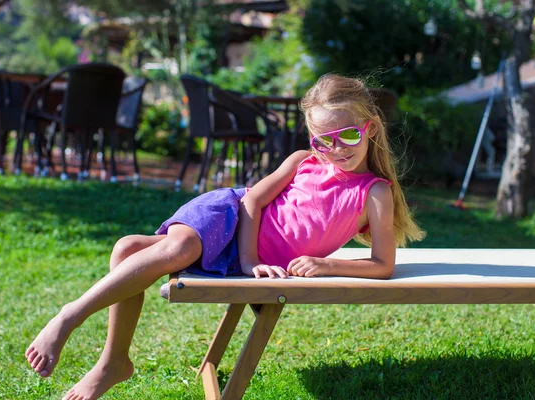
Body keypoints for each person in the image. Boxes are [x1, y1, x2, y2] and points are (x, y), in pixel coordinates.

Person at [25, 73, 425, 400]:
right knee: (172, 246)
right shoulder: (303, 162)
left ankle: (114, 363)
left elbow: (382, 265)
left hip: (232, 256)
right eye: (323, 140)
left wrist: (326, 264)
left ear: (369, 128)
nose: (335, 149)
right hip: (229, 216)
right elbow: (251, 203)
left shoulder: (374, 192)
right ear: (311, 139)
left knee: (128, 248)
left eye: (349, 136)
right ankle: (71, 316)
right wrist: (251, 261)